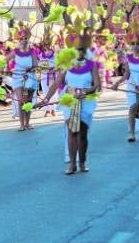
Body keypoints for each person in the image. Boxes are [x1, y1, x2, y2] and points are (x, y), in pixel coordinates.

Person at [39, 18, 100, 175]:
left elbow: (96, 85)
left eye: (81, 49)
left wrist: (86, 92)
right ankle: (72, 164)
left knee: (83, 133)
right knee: (72, 132)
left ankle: (83, 161)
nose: (78, 52)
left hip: (85, 101)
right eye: (76, 49)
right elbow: (56, 83)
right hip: (69, 101)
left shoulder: (91, 65)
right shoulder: (66, 64)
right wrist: (46, 99)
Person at [112, 22, 139, 142]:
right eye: (133, 44)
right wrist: (116, 83)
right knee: (132, 107)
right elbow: (126, 75)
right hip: (132, 84)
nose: (135, 46)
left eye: (137, 44)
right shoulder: (128, 59)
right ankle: (131, 133)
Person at [6, 24, 38, 131]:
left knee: (27, 101)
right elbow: (5, 60)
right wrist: (7, 70)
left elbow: (36, 66)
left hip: (29, 79)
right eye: (21, 39)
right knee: (20, 100)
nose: (23, 40)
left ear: (28, 40)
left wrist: (29, 70)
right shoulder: (15, 51)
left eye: (25, 38)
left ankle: (27, 123)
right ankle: (21, 124)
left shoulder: (32, 51)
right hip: (18, 78)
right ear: (18, 40)